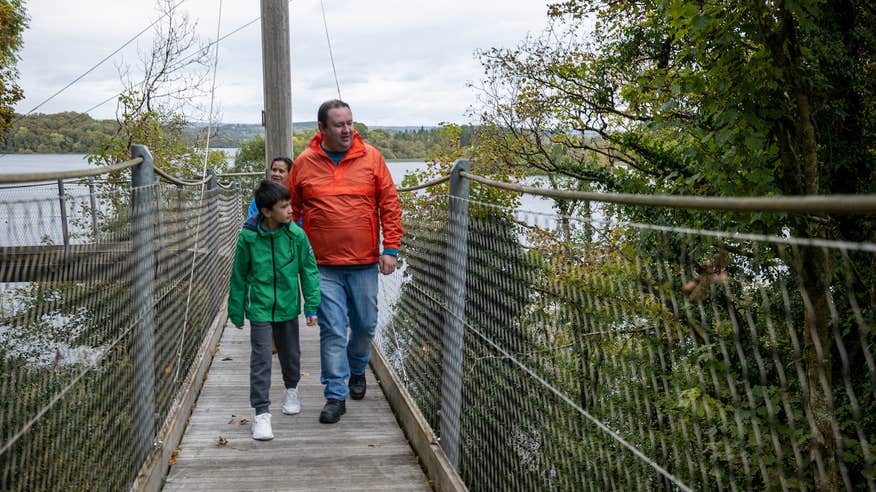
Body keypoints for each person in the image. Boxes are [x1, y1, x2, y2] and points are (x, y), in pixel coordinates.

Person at [288, 99, 402, 424]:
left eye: (350, 122)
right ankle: (335, 395)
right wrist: (295, 250)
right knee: (333, 329)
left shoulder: (372, 158)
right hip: (321, 265)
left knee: (365, 324)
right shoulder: (305, 163)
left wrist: (390, 248)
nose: (347, 129)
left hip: (365, 261)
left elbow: (390, 204)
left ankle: (357, 367)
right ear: (322, 129)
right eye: (339, 124)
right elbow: (291, 210)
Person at [228, 180, 321, 440]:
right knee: (261, 359)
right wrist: (237, 310)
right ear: (267, 212)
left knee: (290, 354)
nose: (291, 210)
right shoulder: (248, 237)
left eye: (290, 204)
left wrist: (311, 305)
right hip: (259, 307)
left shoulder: (297, 236)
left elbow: (309, 271)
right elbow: (239, 275)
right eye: (284, 206)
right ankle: (261, 414)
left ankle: (291, 389)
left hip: (288, 307)